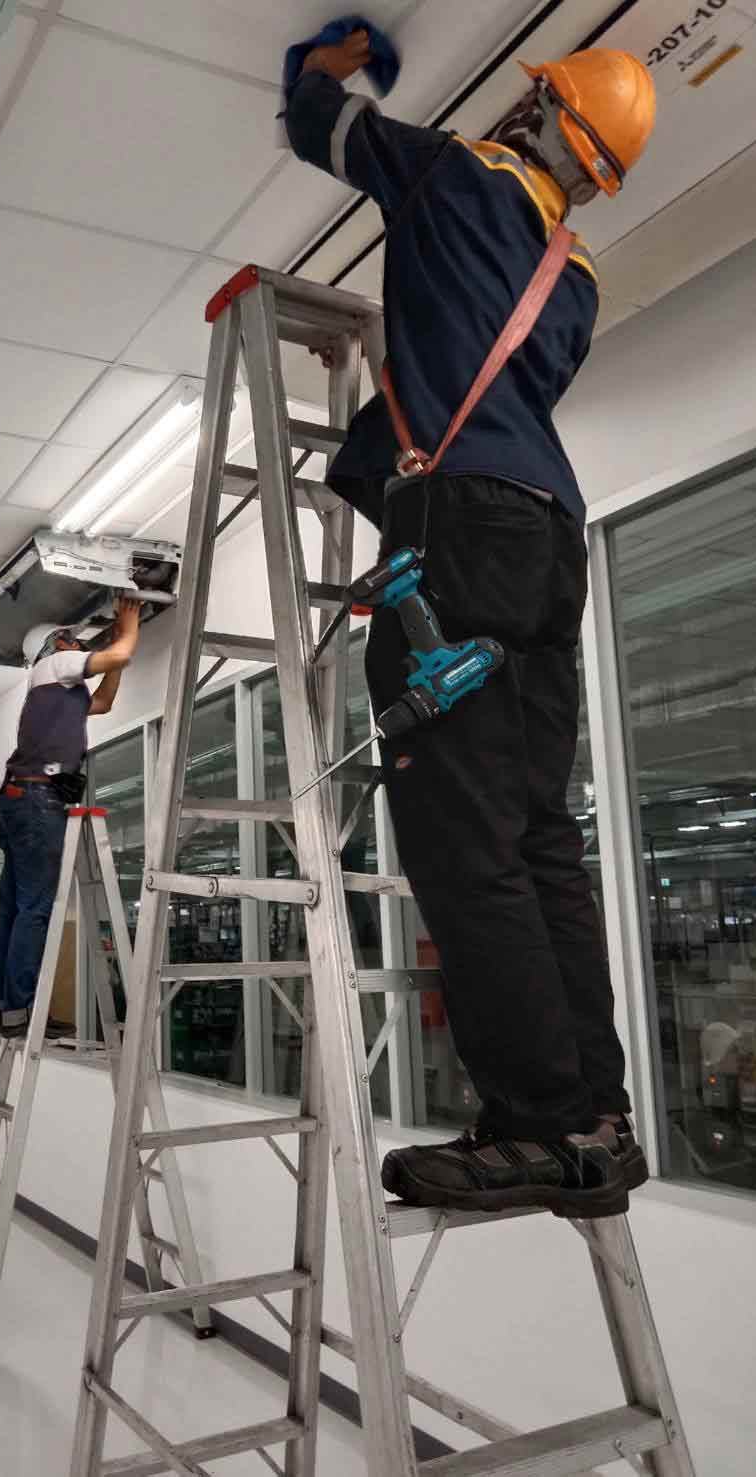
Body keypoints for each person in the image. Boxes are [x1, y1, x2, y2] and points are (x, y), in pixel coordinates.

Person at [285, 36, 657, 1217]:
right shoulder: (575, 275)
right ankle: (595, 1119)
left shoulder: (456, 173)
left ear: (541, 111)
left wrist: (325, 61)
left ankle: (537, 1124)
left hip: (466, 531)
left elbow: (313, 118)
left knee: (467, 841)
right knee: (539, 835)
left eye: (534, 93)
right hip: (549, 536)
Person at [0, 598, 141, 1039]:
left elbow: (105, 702)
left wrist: (117, 649)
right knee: (35, 907)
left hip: (22, 798)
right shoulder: (54, 665)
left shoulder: (59, 690)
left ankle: (11, 1009)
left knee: (15, 909)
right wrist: (127, 629)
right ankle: (19, 1009)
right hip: (37, 800)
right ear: (54, 644)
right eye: (69, 638)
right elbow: (120, 656)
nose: (76, 642)